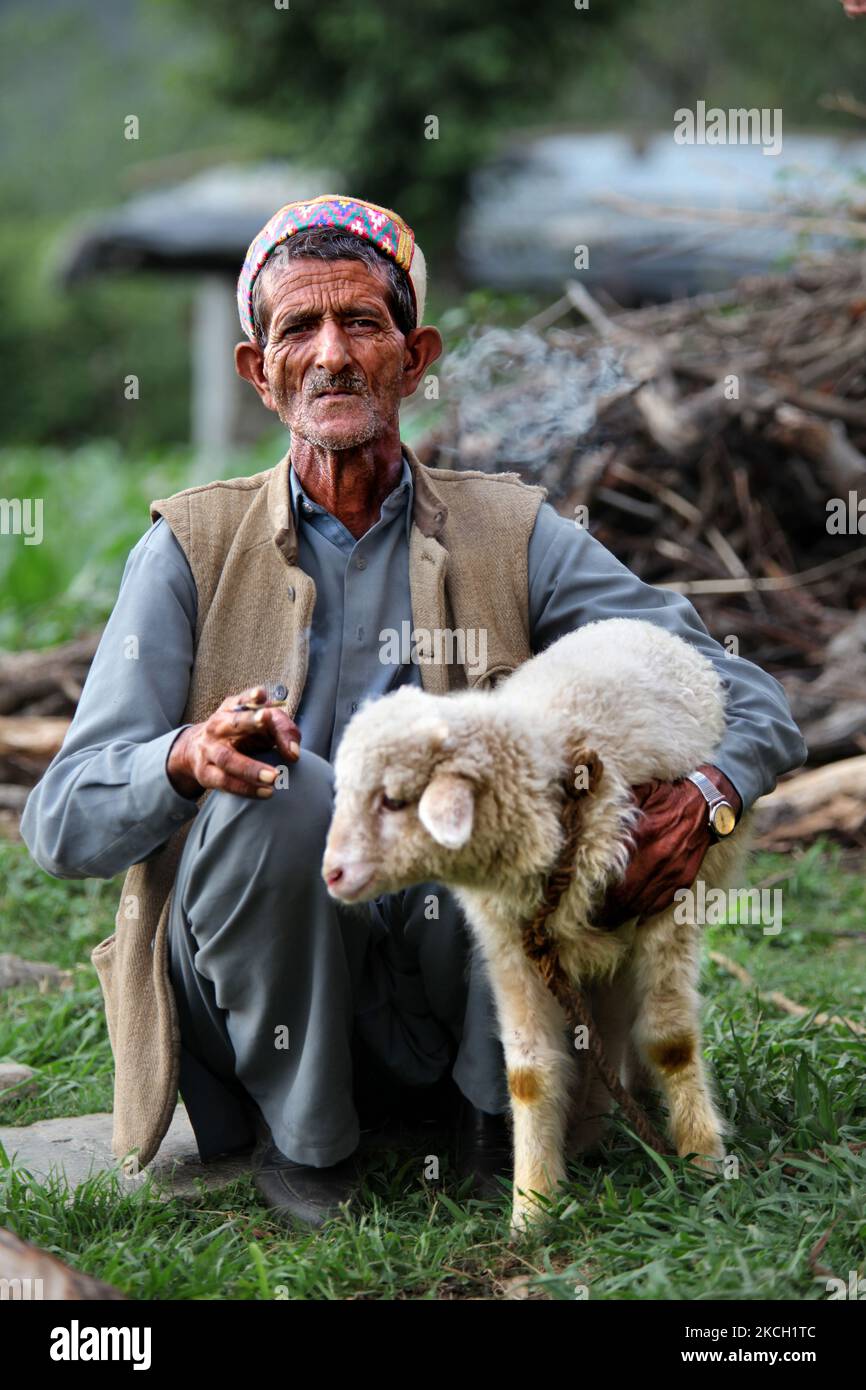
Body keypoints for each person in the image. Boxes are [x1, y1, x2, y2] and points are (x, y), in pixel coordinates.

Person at [21, 194, 807, 1228]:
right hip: (257, 1004)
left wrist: (708, 792)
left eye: (362, 323)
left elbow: (733, 684)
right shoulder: (188, 548)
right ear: (260, 372)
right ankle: (307, 1148)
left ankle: (495, 1123)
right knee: (282, 791)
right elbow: (60, 821)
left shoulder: (513, 533)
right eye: (297, 328)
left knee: (485, 796)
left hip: (468, 984)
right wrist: (184, 757)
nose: (332, 355)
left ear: (415, 354)